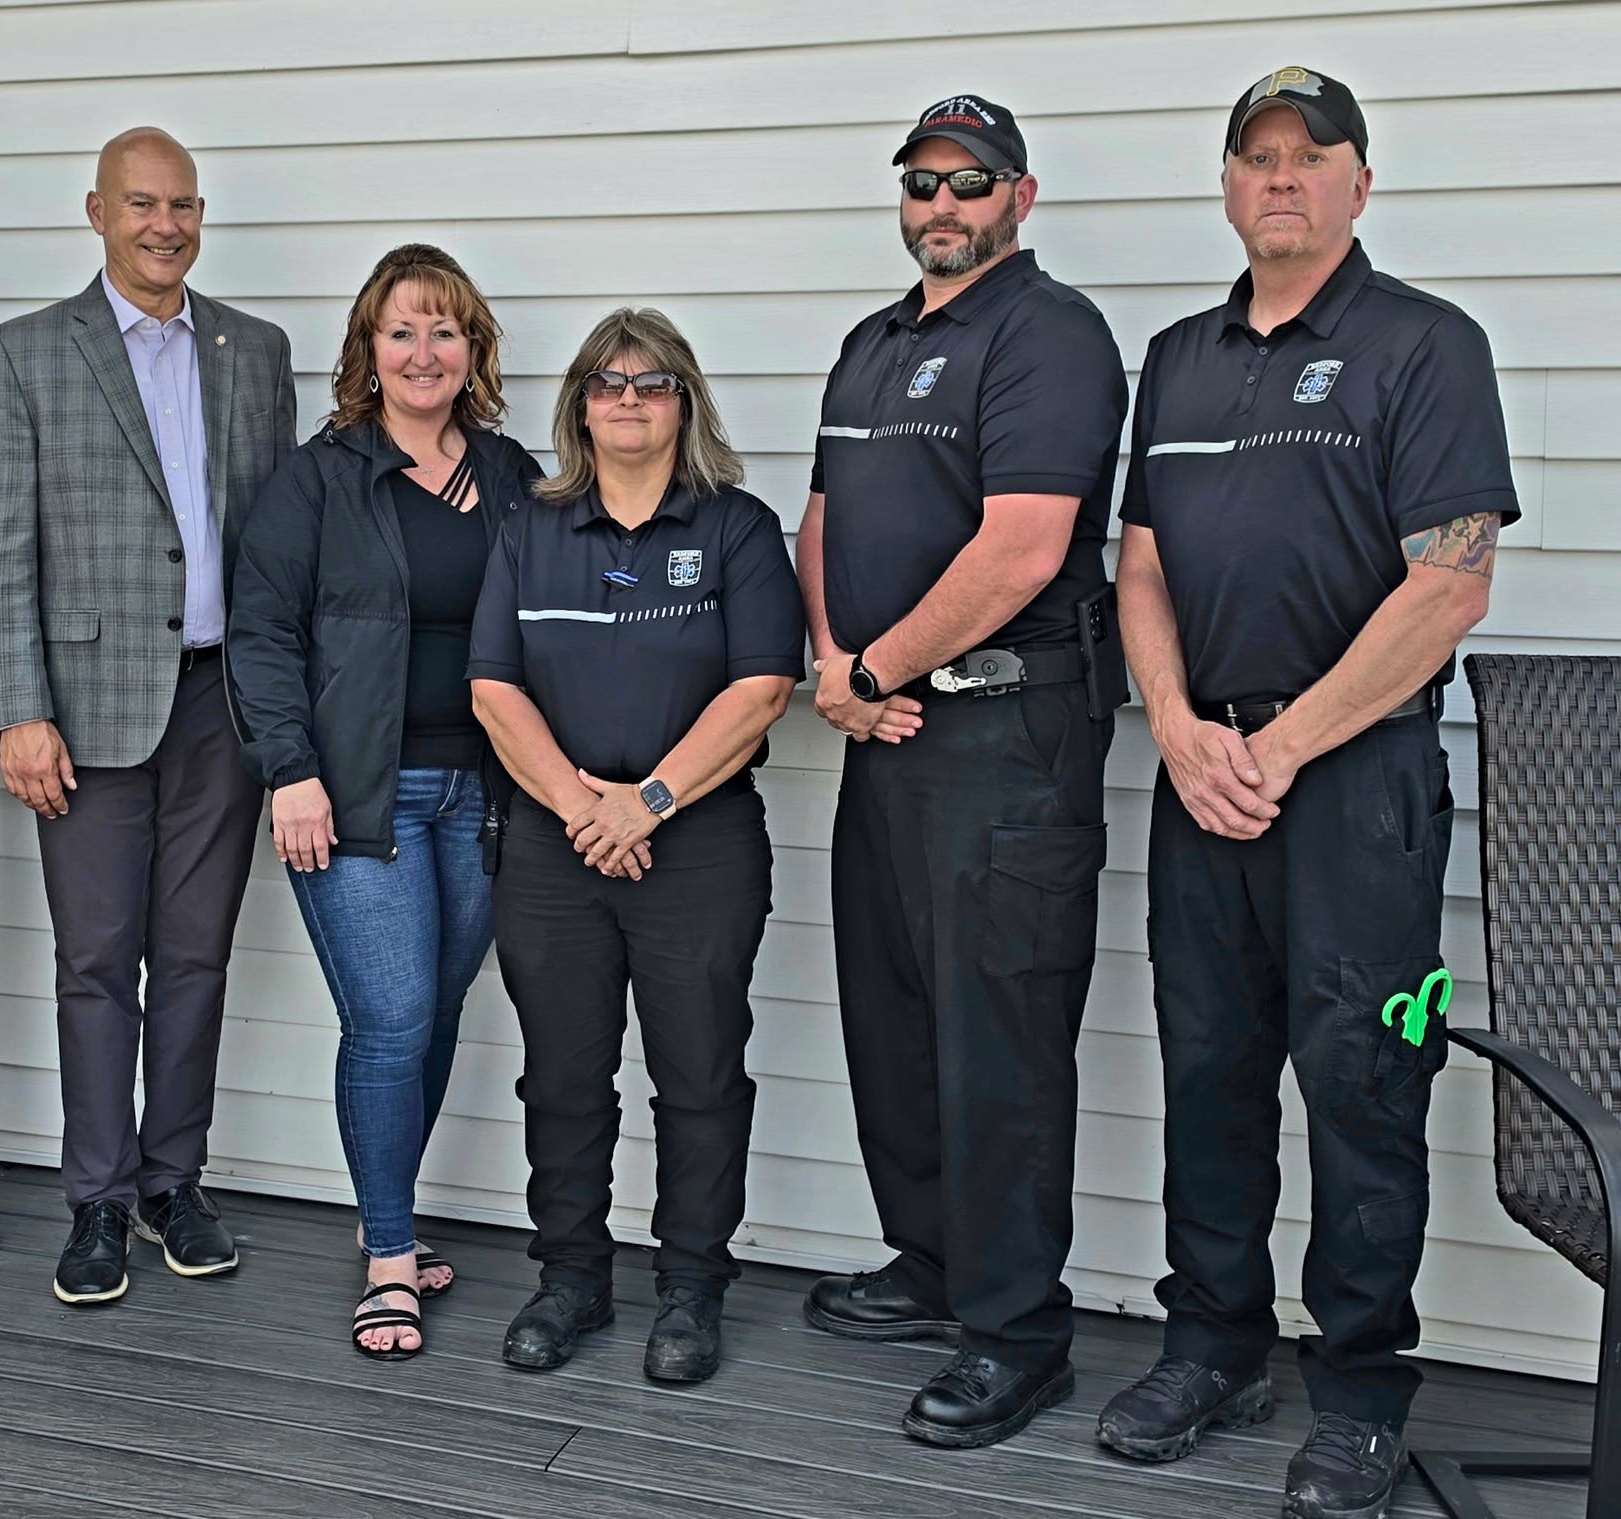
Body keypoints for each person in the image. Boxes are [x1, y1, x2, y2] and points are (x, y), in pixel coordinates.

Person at [1097, 69, 1514, 1518]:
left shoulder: (1424, 344)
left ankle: (1358, 1392)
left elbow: (1450, 582)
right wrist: (1174, 727)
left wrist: (1280, 750)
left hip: (1353, 782)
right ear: (1227, 186)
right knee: (1209, 1071)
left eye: (1310, 155)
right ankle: (1211, 1346)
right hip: (1198, 772)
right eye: (1256, 157)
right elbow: (1140, 562)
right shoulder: (1178, 357)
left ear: (1357, 184)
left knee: (1362, 1083)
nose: (1281, 178)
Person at [795, 95, 1129, 1447]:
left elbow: (1023, 546)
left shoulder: (1050, 335)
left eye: (970, 180)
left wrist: (873, 670)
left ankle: (1015, 1330)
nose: (942, 203)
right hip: (884, 727)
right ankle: (933, 1263)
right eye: (922, 180)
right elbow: (822, 518)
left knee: (999, 1037)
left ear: (1019, 197)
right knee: (895, 1015)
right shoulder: (872, 344)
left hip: (1007, 736)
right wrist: (836, 663)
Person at [0, 126, 296, 1306]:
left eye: (183, 205)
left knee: (197, 954)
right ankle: (97, 1198)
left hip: (220, 700)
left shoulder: (255, 351)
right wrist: (19, 711)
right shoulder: (22, 356)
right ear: (97, 211)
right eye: (142, 204)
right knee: (97, 961)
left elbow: (275, 544)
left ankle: (172, 1183)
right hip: (85, 710)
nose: (166, 225)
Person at [470, 308, 804, 1386]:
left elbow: (762, 688)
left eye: (650, 382)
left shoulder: (737, 529)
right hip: (553, 846)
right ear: (577, 406)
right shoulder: (528, 529)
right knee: (563, 1076)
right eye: (606, 383)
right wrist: (586, 808)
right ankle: (570, 1278)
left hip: (697, 847)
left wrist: (646, 803)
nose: (627, 399)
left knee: (697, 1074)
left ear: (683, 403)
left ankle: (691, 1288)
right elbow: (493, 689)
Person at [229, 244, 539, 1359]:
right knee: (391, 1018)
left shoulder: (510, 475)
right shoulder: (318, 479)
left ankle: (385, 1211)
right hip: (364, 794)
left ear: (473, 349)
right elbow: (261, 633)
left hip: (485, 794)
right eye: (401, 330)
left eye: (444, 330)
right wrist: (289, 769)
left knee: (438, 1010)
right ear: (368, 347)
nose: (423, 351)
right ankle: (392, 1260)